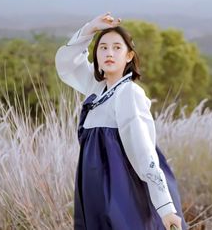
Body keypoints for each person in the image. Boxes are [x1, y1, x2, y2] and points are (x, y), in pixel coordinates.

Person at [55, 12, 188, 230]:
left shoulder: (129, 93)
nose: (109, 53)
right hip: (93, 188)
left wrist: (165, 208)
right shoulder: (96, 88)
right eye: (103, 47)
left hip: (122, 190)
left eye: (117, 47)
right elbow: (66, 64)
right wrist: (90, 29)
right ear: (96, 55)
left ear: (129, 56)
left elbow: (144, 151)